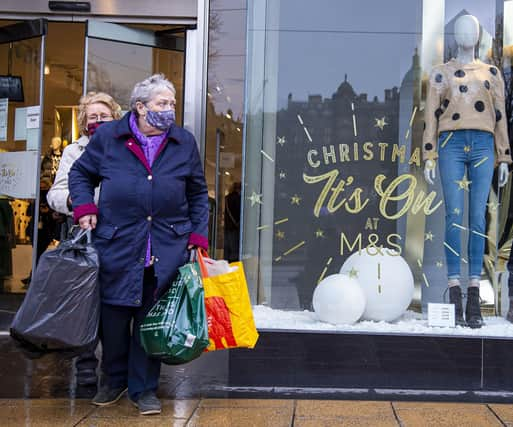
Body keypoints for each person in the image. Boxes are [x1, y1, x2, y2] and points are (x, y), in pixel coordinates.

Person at [69, 74, 209, 415]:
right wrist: (85, 207)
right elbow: (80, 174)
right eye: (162, 103)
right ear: (140, 107)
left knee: (150, 322)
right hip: (118, 244)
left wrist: (197, 236)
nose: (169, 109)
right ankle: (114, 380)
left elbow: (197, 193)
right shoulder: (109, 137)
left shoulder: (183, 142)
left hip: (166, 246)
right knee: (114, 321)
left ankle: (144, 388)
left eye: (172, 103)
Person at [423, 14, 512, 328]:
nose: (466, 33)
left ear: (478, 36)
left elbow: (499, 116)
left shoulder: (492, 73)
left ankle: (473, 293)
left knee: (477, 218)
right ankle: (454, 291)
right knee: (454, 215)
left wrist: (504, 156)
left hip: (484, 143)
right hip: (451, 141)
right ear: (454, 35)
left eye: (471, 29)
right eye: (460, 28)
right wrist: (430, 154)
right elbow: (431, 116)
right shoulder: (440, 74)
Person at [47, 92, 122, 389]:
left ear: (115, 118)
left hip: (119, 237)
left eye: (104, 116)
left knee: (114, 304)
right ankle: (86, 364)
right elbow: (55, 194)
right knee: (84, 303)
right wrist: (79, 203)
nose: (99, 121)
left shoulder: (127, 148)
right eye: (93, 117)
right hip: (84, 236)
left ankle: (115, 368)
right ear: (84, 122)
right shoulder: (73, 151)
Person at [224, 182, 241, 262]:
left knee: (227, 247)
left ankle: (226, 263)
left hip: (227, 226)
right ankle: (233, 266)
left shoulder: (227, 198)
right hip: (234, 226)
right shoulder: (237, 198)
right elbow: (238, 212)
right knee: (234, 249)